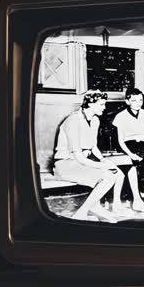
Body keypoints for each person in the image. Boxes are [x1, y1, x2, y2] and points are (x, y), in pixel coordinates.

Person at [52, 89, 124, 222]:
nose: (104, 107)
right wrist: (101, 165)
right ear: (90, 104)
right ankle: (81, 213)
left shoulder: (95, 120)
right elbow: (79, 157)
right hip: (65, 164)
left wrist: (104, 160)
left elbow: (93, 147)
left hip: (81, 162)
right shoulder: (73, 120)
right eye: (101, 104)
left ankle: (99, 207)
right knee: (108, 177)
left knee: (119, 173)